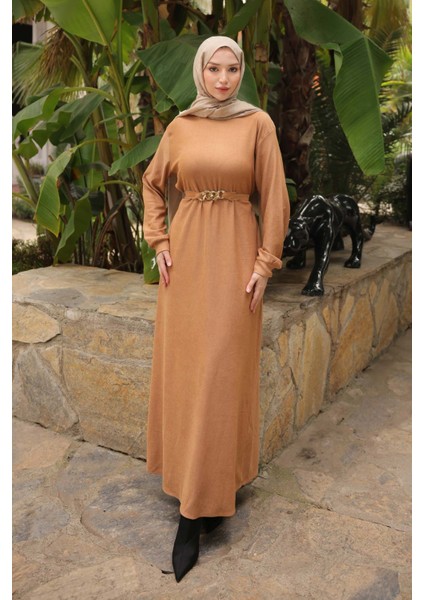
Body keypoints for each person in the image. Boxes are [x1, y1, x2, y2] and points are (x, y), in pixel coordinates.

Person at [142, 35, 290, 583]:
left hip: (235, 264)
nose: (223, 79)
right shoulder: (181, 126)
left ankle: (200, 506)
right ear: (200, 71)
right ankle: (194, 497)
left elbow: (275, 196)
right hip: (184, 266)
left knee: (220, 375)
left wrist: (265, 263)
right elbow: (152, 183)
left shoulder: (258, 124)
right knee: (188, 374)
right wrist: (159, 241)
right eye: (214, 69)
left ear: (240, 72)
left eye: (232, 69)